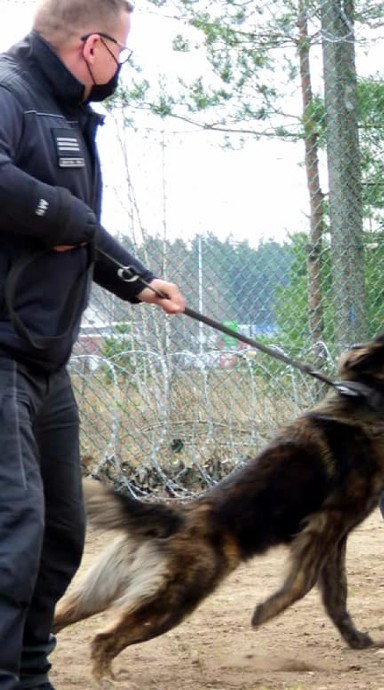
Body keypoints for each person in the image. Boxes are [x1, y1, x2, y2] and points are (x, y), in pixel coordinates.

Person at [0, 1, 186, 687]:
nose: (119, 68)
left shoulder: (66, 110)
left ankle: (29, 672)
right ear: (92, 44)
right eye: (122, 52)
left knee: (59, 530)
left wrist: (136, 280)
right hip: (1, 353)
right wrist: (65, 213)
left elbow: (80, 229)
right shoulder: (10, 95)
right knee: (13, 524)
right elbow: (52, 207)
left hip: (43, 356)